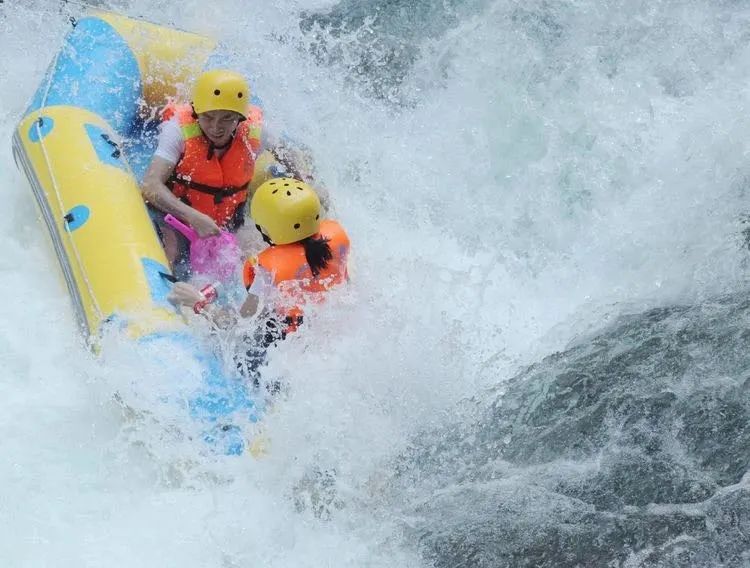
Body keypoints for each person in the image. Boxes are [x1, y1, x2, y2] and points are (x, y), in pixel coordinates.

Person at [168, 178, 350, 384]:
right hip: (332, 335)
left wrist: (200, 304)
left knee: (218, 343)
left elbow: (236, 324)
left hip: (286, 355)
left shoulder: (267, 272)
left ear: (267, 227)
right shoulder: (336, 241)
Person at [141, 69, 262, 277]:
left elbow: (289, 152)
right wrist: (192, 216)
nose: (216, 127)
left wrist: (309, 180)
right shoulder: (177, 130)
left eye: (227, 118)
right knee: (171, 250)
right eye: (208, 117)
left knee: (256, 255)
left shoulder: (253, 131)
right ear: (197, 113)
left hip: (229, 219)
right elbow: (151, 185)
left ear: (240, 117)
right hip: (177, 217)